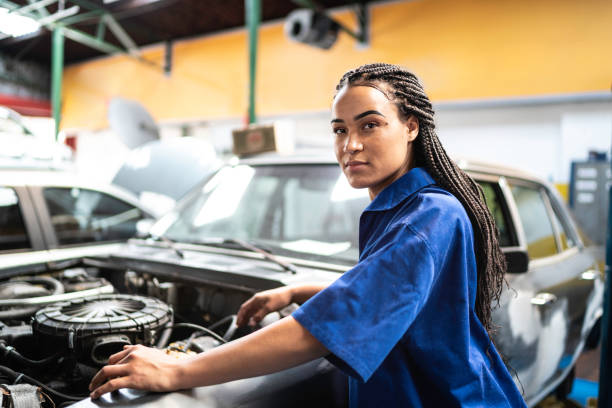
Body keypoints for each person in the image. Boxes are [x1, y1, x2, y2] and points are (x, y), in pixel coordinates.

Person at [89, 63, 527, 407]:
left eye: (369, 125)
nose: (349, 145)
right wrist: (299, 289)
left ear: (411, 126)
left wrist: (179, 370)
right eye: (340, 129)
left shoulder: (425, 216)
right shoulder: (406, 208)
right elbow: (387, 293)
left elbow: (330, 328)